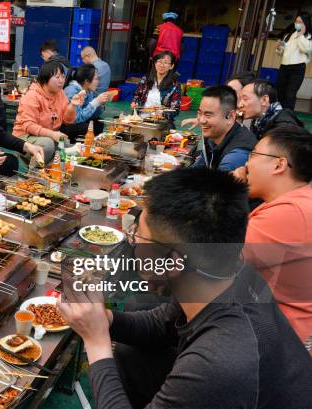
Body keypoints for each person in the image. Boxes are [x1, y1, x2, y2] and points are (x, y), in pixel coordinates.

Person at [57, 167, 312, 409]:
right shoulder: (225, 272)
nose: (134, 245)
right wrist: (105, 319)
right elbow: (162, 324)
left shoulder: (220, 361)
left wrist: (96, 341)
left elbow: (218, 366)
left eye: (139, 237)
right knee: (131, 355)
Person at [233, 125, 312, 343]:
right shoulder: (298, 200)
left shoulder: (289, 213)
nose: (247, 163)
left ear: (279, 164)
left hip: (282, 339)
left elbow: (214, 259)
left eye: (254, 154)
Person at [12, 60, 82, 162]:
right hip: (24, 137)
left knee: (67, 146)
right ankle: (35, 173)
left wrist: (73, 105)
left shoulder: (60, 93)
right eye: (57, 77)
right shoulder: (32, 96)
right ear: (45, 78)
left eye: (63, 77)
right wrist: (52, 134)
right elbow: (28, 125)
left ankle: (54, 170)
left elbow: (68, 121)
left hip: (45, 135)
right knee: (48, 144)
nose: (61, 80)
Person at [192, 85, 257, 171]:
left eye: (208, 115)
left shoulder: (236, 157)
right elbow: (197, 168)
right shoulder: (214, 135)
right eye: (199, 113)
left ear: (230, 116)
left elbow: (219, 184)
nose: (201, 120)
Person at [181, 72, 256, 129]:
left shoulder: (248, 116)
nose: (227, 95)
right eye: (227, 90)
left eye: (233, 92)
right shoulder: (232, 109)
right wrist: (199, 120)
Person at [238, 79, 304, 139]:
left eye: (245, 99)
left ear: (264, 100)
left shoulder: (284, 128)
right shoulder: (259, 121)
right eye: (240, 99)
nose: (239, 105)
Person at [63, 64, 114, 141]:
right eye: (96, 79)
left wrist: (100, 104)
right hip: (68, 125)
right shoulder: (72, 91)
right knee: (87, 127)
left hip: (79, 121)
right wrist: (96, 102)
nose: (98, 82)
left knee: (98, 123)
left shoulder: (89, 91)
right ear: (86, 81)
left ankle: (93, 148)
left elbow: (93, 115)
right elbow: (77, 118)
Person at [131, 50, 181, 127]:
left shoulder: (174, 85)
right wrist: (135, 102)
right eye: (159, 62)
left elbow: (175, 109)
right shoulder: (145, 79)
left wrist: (163, 113)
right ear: (155, 63)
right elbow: (137, 95)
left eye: (165, 62)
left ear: (171, 66)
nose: (162, 65)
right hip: (140, 119)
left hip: (161, 123)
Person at [275, 12, 311, 111]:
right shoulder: (289, 34)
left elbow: (306, 49)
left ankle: (288, 116)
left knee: (290, 94)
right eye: (296, 21)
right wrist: (279, 47)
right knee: (279, 92)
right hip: (284, 66)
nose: (297, 23)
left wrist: (301, 35)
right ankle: (278, 114)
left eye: (300, 22)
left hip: (297, 68)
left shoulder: (308, 36)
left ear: (306, 23)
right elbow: (282, 53)